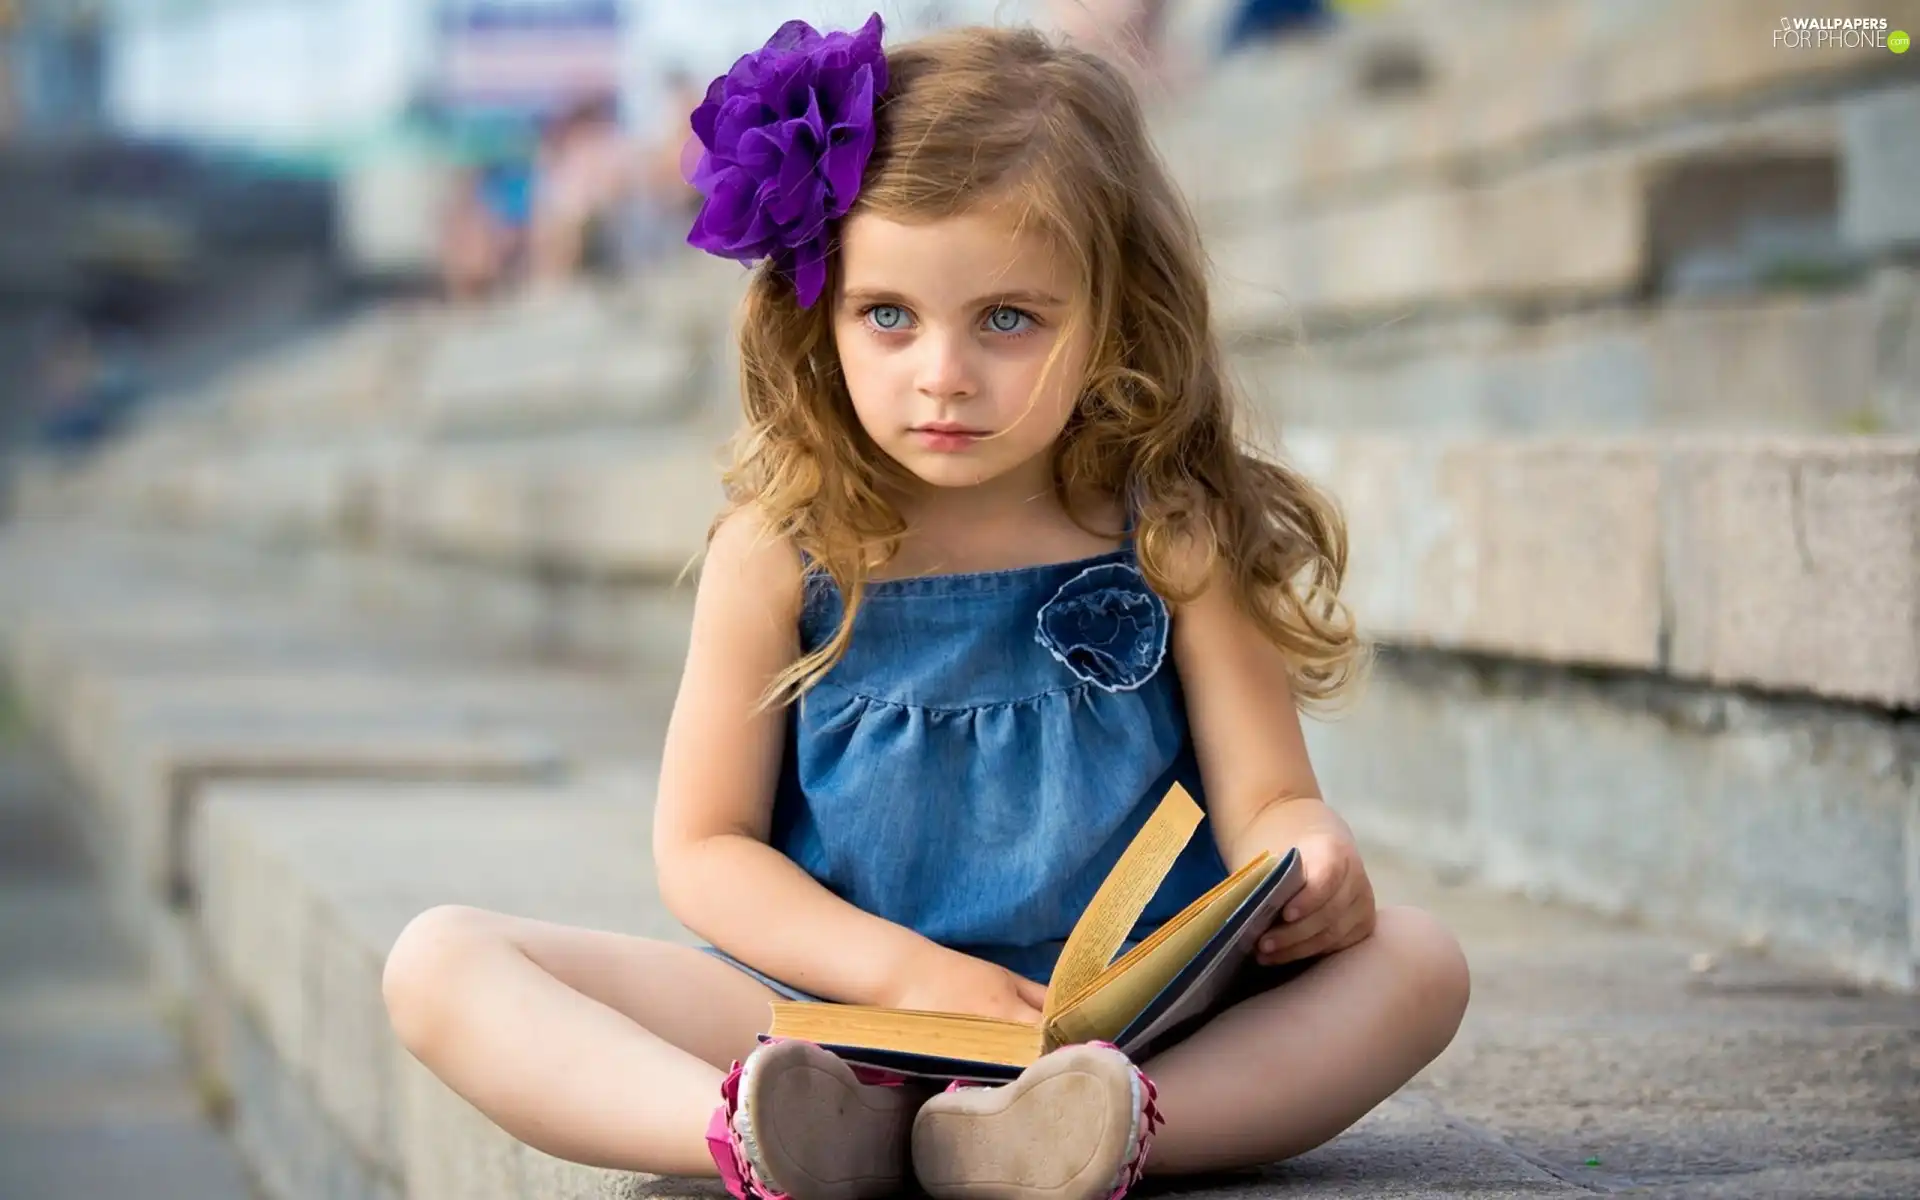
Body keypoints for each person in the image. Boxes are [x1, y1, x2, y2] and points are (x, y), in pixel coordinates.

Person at [380, 14, 1470, 1200]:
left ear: (1110, 316)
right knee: (440, 961)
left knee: (1418, 963)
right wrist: (902, 978)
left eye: (1009, 319)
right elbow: (705, 851)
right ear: (821, 313)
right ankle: (751, 1134)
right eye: (888, 315)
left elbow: (1271, 801)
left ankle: (1097, 1131)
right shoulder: (780, 554)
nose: (942, 373)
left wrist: (1312, 863)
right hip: (827, 1016)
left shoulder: (1171, 533)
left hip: (1109, 1028)